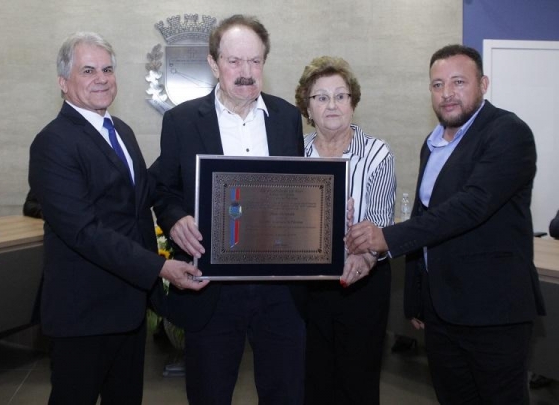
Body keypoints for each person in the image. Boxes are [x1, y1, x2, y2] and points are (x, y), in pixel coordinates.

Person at [345, 44, 546, 404]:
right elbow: (426, 216)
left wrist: (386, 238)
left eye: (458, 82)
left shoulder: (507, 133)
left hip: (494, 312)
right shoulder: (433, 142)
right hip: (442, 313)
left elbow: (471, 206)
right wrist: (417, 299)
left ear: (483, 84)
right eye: (437, 85)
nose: (447, 93)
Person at [28, 31, 208, 404]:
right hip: (83, 314)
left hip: (128, 309)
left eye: (108, 69)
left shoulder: (121, 131)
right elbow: (84, 231)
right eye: (88, 70)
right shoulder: (53, 142)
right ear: (64, 82)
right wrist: (159, 268)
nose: (102, 78)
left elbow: (140, 205)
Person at [149, 14, 306, 405]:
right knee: (209, 393)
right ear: (213, 63)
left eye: (255, 61)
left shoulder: (287, 119)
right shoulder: (182, 122)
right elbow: (162, 188)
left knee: (285, 392)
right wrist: (174, 218)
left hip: (279, 289)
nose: (246, 72)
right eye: (235, 61)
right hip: (211, 288)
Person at [294, 56, 396, 404]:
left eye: (340, 95)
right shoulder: (294, 155)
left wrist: (365, 254)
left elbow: (381, 222)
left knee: (358, 382)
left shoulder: (377, 154)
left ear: (353, 101)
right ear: (307, 107)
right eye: (320, 97)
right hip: (307, 286)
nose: (332, 104)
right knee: (312, 380)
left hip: (362, 284)